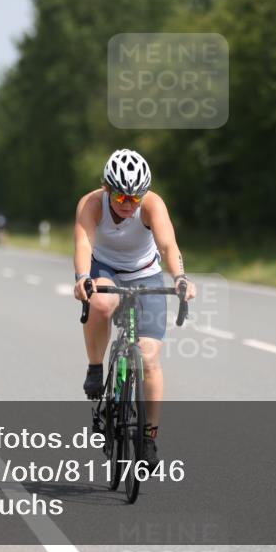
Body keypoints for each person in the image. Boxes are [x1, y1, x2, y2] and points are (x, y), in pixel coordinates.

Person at [73, 148, 196, 467]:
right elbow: (84, 243)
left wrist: (180, 278)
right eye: (121, 197)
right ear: (106, 188)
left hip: (146, 273)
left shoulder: (152, 204)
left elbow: (168, 244)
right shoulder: (91, 203)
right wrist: (84, 278)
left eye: (135, 198)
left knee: (149, 356)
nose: (128, 204)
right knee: (99, 302)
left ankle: (148, 438)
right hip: (106, 270)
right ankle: (96, 367)